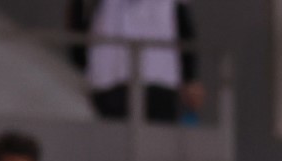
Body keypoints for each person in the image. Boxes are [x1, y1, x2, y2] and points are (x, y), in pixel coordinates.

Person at [69, 0, 202, 123]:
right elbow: (80, 19)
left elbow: (184, 27)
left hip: (159, 80)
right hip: (112, 79)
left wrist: (190, 78)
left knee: (157, 132)